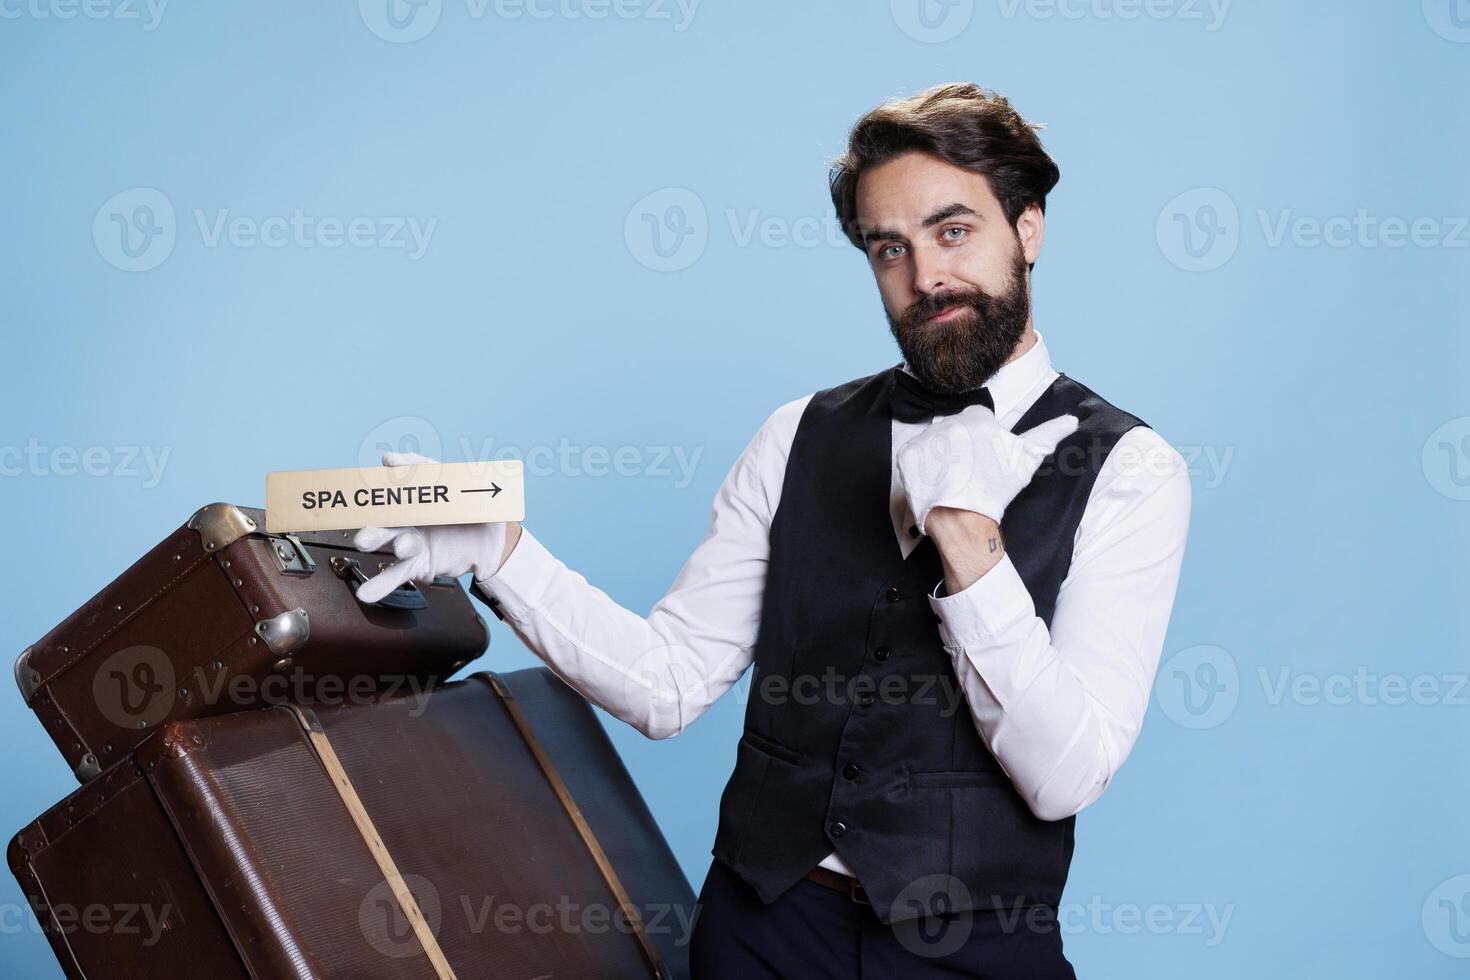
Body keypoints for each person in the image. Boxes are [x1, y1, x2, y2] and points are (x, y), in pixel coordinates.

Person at [354, 82, 1192, 978]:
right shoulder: (798, 436)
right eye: (889, 249)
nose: (926, 276)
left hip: (978, 953)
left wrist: (973, 548)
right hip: (762, 931)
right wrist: (505, 556)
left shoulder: (1132, 471)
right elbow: (667, 684)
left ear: (1027, 230)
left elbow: (1065, 776)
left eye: (955, 231)